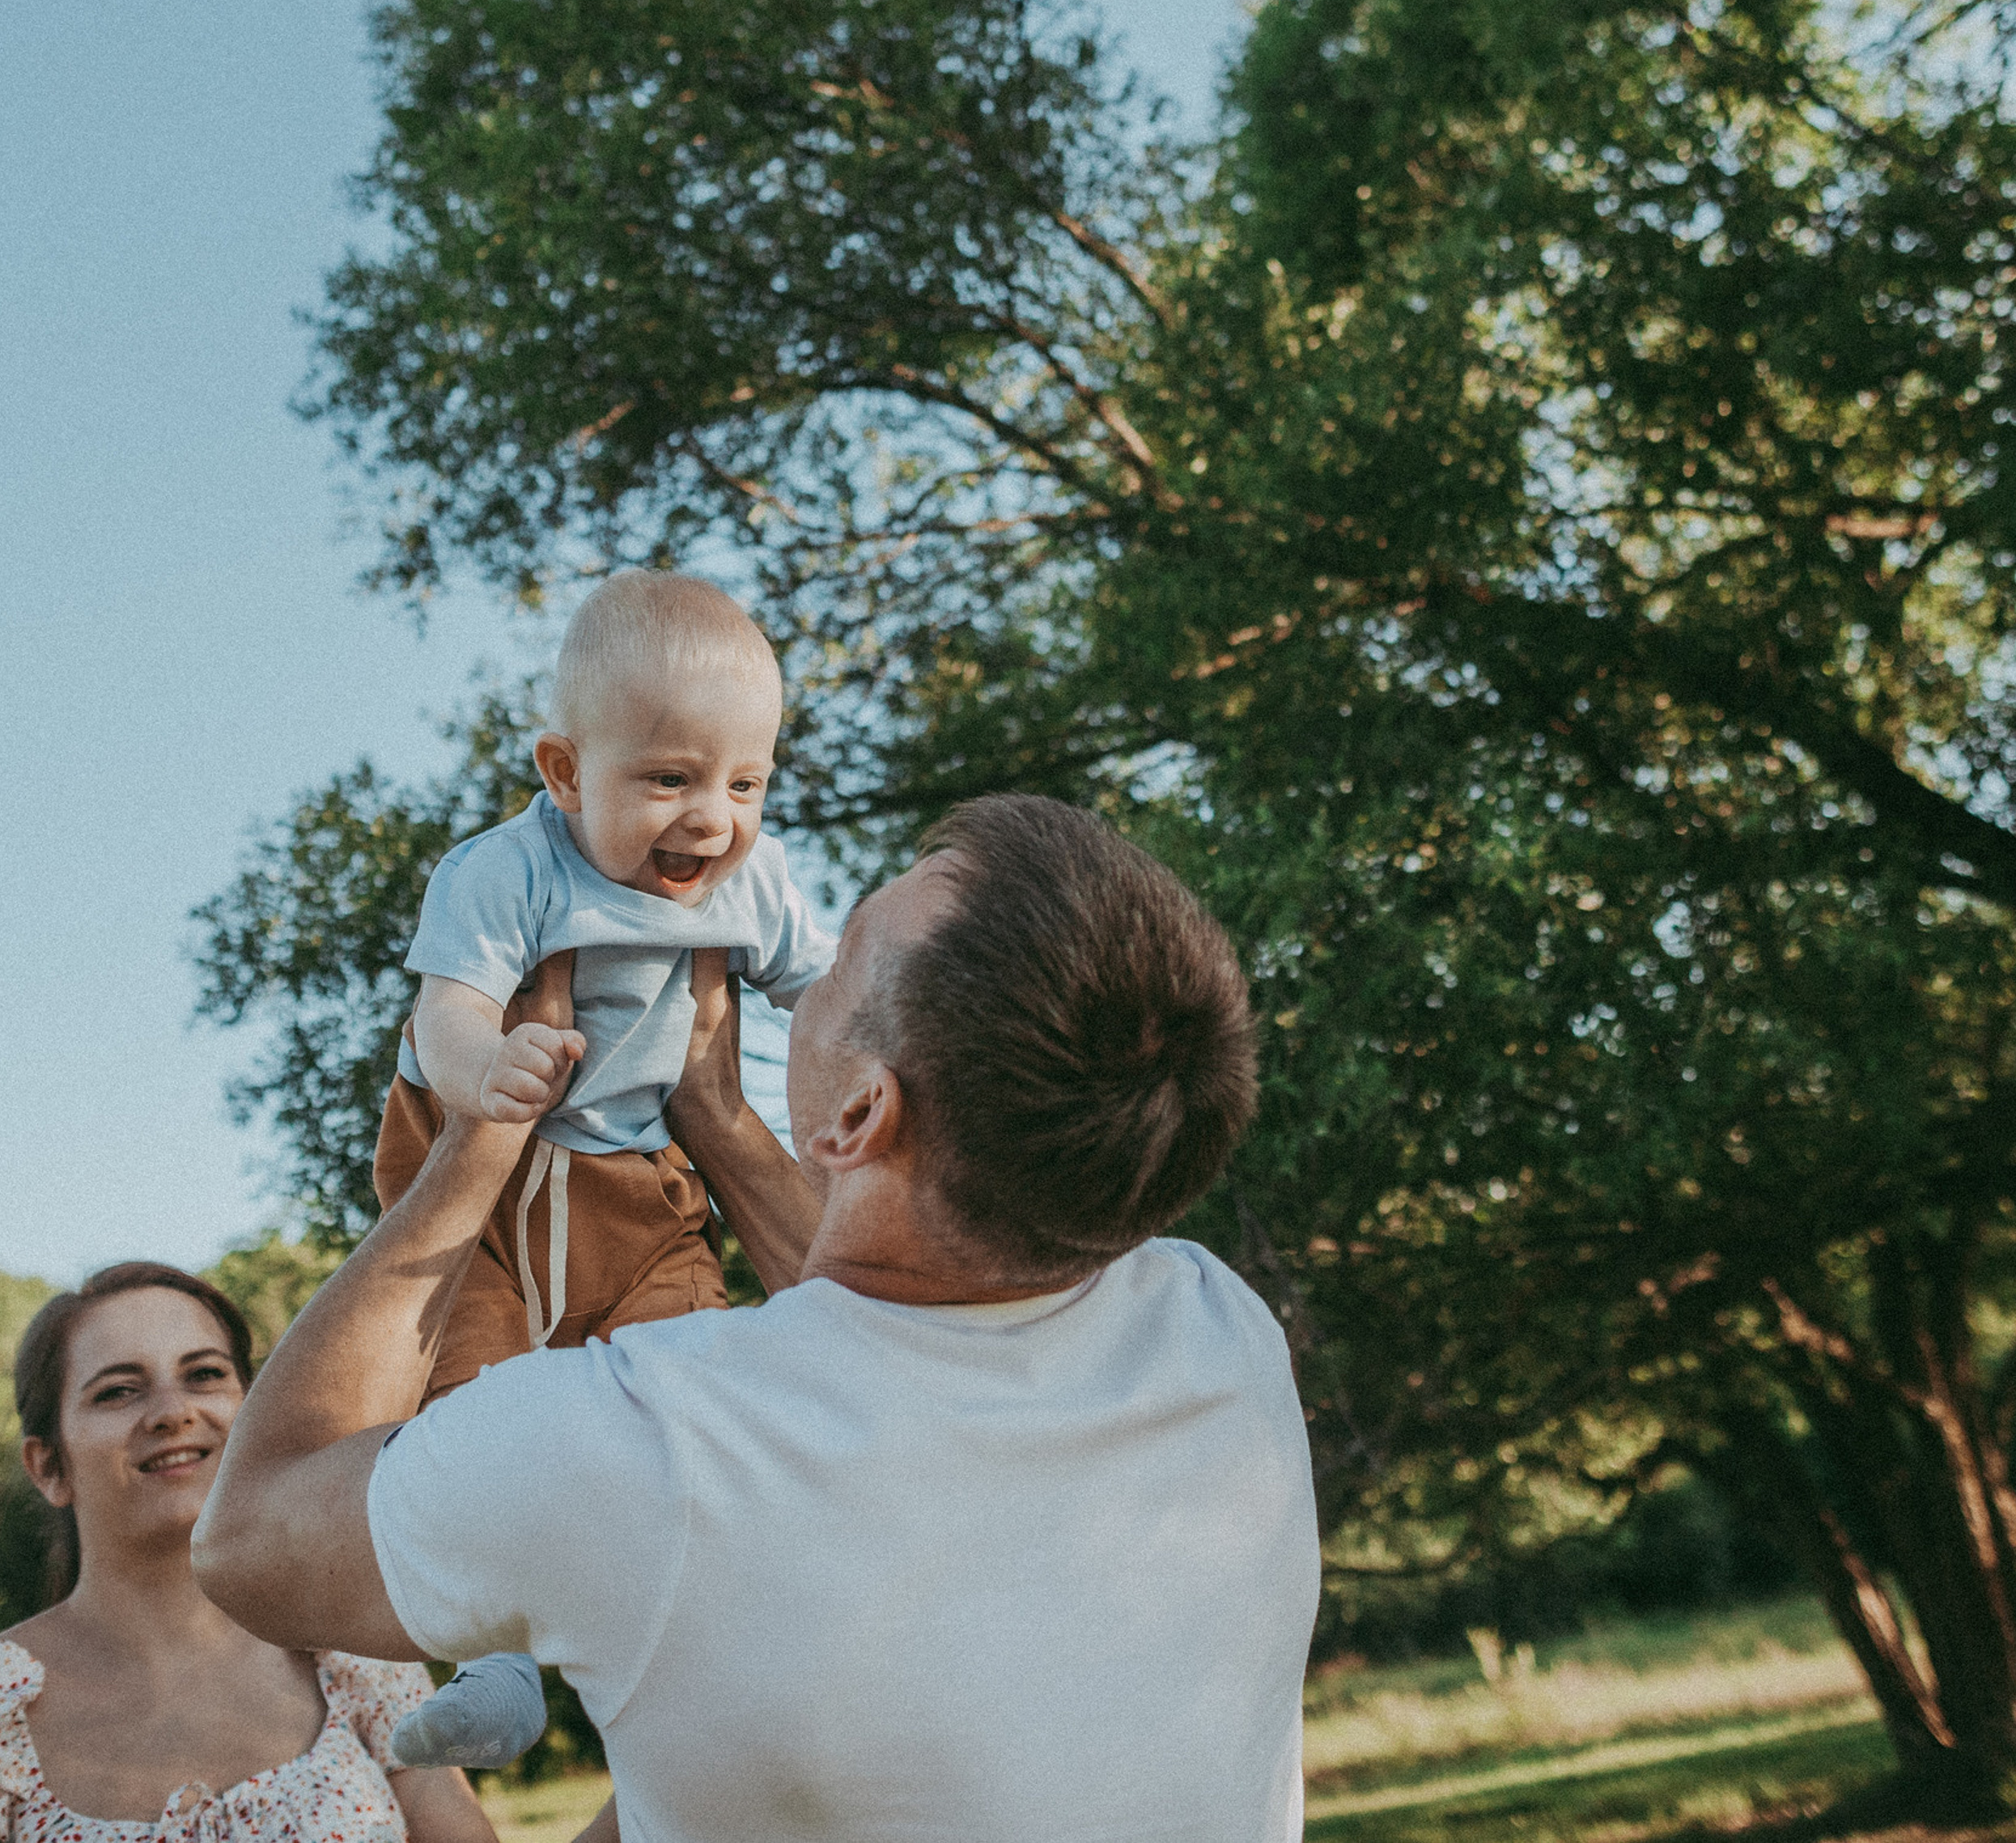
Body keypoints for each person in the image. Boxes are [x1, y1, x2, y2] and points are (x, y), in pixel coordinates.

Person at [195, 796, 1324, 1842]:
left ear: (865, 1113)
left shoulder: (649, 1444)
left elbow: (252, 1537)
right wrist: (723, 1122)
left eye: (846, 955)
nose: (806, 969)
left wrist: (477, 1139)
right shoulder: (1219, 1334)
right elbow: (891, 1324)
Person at [374, 570, 834, 1767]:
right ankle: (498, 1666)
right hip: (490, 1192)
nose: (710, 820)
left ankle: (719, 1640)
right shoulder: (509, 869)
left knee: (694, 1378)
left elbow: (833, 997)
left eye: (746, 782)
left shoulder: (755, 882)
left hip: (641, 1189)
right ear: (566, 773)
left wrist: (872, 1081)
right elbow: (448, 1010)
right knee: (476, 1399)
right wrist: (491, 1070)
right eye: (670, 778)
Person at [1, 1263, 490, 1843]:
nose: (173, 1412)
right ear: (48, 1467)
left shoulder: (354, 1660)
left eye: (204, 1374)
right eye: (118, 1391)